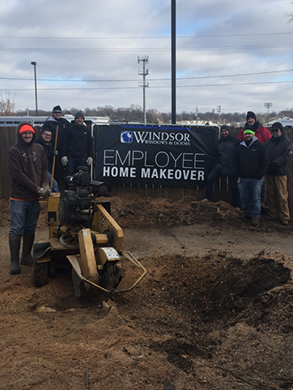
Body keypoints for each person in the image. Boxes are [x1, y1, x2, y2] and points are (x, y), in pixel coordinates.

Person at [8, 122, 51, 275]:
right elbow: (18, 175)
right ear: (20, 135)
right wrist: (37, 188)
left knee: (30, 227)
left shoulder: (39, 149)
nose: (27, 136)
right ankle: (14, 260)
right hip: (19, 197)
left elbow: (44, 167)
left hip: (34, 198)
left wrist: (45, 184)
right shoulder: (14, 151)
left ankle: (26, 256)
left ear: (33, 134)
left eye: (30, 133)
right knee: (17, 228)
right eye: (24, 133)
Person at [236, 126, 269, 226]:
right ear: (244, 135)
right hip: (243, 177)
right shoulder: (240, 147)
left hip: (256, 178)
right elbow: (235, 161)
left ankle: (255, 216)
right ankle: (247, 214)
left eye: (249, 133)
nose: (248, 135)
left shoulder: (259, 146)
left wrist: (260, 174)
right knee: (244, 197)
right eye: (246, 133)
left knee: (256, 198)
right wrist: (238, 172)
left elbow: (265, 161)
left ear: (253, 134)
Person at [201, 125, 240, 208]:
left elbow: (240, 155)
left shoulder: (236, 141)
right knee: (210, 178)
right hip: (221, 166)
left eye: (225, 131)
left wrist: (236, 167)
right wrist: (217, 164)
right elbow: (215, 155)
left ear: (229, 131)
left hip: (232, 167)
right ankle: (208, 197)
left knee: (234, 186)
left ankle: (236, 205)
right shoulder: (219, 142)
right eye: (222, 131)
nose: (224, 132)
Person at [264, 122, 292, 225]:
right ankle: (273, 214)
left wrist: (275, 163)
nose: (275, 132)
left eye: (277, 130)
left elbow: (286, 157)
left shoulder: (287, 143)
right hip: (270, 172)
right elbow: (264, 155)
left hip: (280, 172)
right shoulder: (268, 143)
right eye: (273, 131)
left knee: (282, 195)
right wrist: (267, 164)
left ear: (281, 131)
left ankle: (284, 216)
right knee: (270, 194)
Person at [41, 105, 70, 182]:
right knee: (50, 170)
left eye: (59, 113)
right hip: (51, 150)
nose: (58, 114)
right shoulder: (48, 123)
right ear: (53, 113)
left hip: (62, 150)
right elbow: (44, 135)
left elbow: (72, 127)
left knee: (59, 171)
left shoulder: (64, 122)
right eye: (56, 112)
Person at [61, 111, 93, 176]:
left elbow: (90, 144)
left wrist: (90, 156)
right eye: (78, 118)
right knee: (70, 176)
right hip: (71, 157)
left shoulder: (86, 130)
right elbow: (64, 143)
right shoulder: (69, 130)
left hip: (83, 157)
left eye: (81, 118)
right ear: (75, 119)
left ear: (83, 120)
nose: (79, 120)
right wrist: (63, 155)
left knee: (82, 176)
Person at [35, 128, 59, 192]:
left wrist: (54, 153)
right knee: (54, 184)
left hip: (49, 168)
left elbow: (51, 158)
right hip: (40, 168)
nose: (48, 137)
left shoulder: (51, 145)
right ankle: (57, 200)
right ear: (42, 134)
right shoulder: (37, 144)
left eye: (49, 135)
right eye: (46, 135)